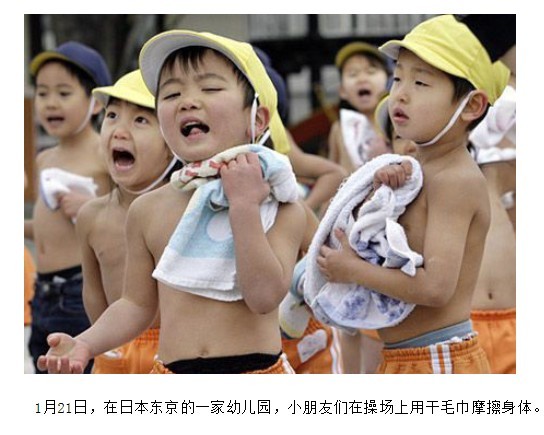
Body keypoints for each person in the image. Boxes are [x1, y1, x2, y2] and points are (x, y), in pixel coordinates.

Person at [37, 30, 306, 374]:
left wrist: (244, 206)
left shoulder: (281, 204)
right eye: (172, 93)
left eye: (210, 88)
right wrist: (86, 343)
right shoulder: (148, 209)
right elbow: (135, 305)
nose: (187, 101)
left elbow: (264, 297)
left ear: (256, 118)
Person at [313, 14, 510, 374]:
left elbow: (435, 288)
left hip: (439, 358)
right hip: (407, 356)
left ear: (471, 106)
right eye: (398, 77)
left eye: (420, 82)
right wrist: (380, 194)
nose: (400, 93)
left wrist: (353, 270)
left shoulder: (456, 178)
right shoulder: (413, 171)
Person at [77, 70, 179, 373]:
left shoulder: (185, 211)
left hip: (176, 350)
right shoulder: (92, 216)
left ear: (172, 143)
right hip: (114, 351)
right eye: (111, 116)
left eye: (140, 120)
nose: (119, 131)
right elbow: (93, 295)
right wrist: (101, 348)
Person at [26, 41, 112, 374]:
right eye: (42, 93)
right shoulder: (44, 158)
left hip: (80, 289)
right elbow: (47, 227)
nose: (50, 103)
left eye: (64, 93)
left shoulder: (104, 152)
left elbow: (131, 214)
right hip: (42, 292)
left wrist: (93, 207)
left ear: (95, 102)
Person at [327, 41, 391, 175]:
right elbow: (333, 172)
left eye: (371, 72)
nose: (362, 79)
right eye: (353, 74)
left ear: (388, 81)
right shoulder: (339, 129)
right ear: (342, 91)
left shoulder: (397, 124)